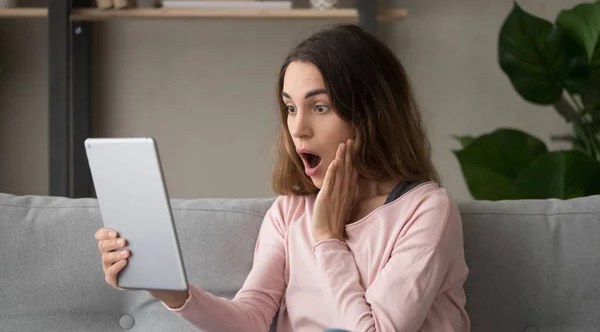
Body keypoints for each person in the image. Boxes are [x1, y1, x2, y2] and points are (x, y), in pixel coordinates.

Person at [95, 24, 470, 332]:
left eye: (320, 107)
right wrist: (172, 292)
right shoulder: (289, 213)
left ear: (370, 115)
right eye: (291, 108)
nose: (299, 128)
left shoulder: (426, 210)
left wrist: (327, 239)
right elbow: (252, 318)